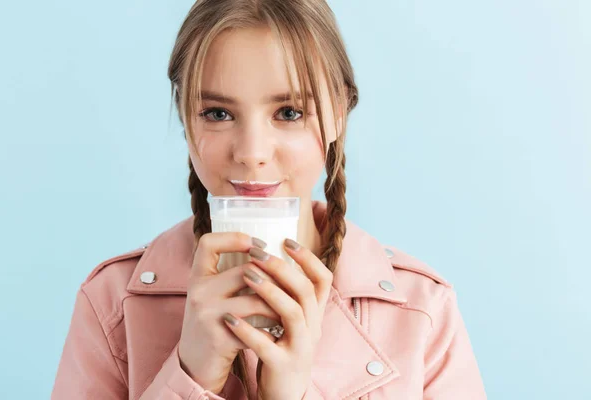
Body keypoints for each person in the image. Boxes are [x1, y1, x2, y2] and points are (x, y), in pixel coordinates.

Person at [52, 0, 486, 399]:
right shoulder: (111, 303)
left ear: (339, 113)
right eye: (218, 114)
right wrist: (190, 375)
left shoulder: (422, 311)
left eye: (289, 112)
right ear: (186, 118)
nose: (252, 152)